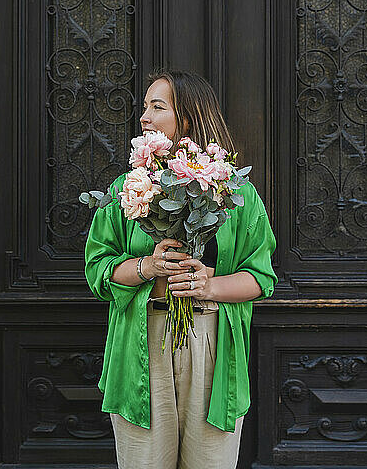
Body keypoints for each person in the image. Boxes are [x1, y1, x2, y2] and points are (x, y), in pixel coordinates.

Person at [84, 70, 277, 469]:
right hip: (142, 340)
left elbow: (260, 278)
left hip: (211, 339)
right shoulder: (127, 190)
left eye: (157, 107)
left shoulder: (234, 193)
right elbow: (99, 269)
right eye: (144, 107)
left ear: (187, 120)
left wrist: (208, 286)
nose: (144, 117)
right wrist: (148, 265)